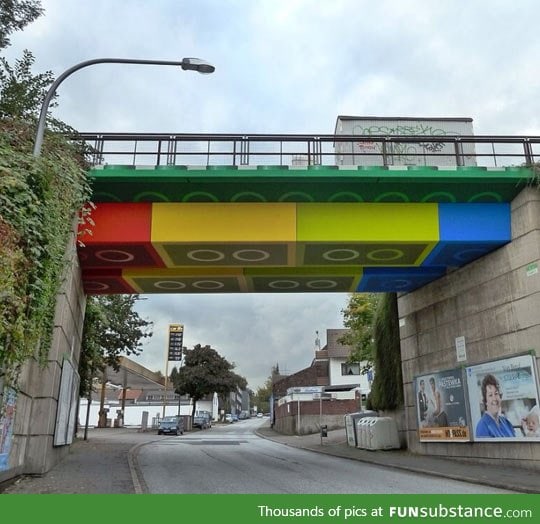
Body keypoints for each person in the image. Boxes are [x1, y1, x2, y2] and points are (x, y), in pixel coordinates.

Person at [475, 373, 515, 438]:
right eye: (490, 395)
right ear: (485, 401)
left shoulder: (506, 422)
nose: (494, 398)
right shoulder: (482, 427)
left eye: (496, 393)